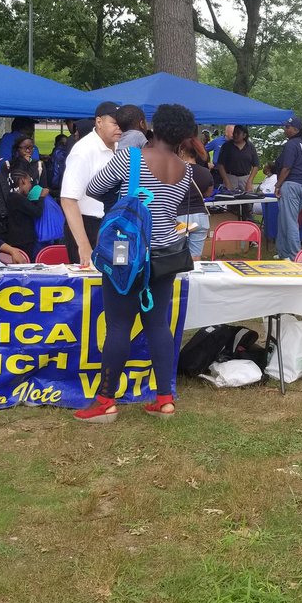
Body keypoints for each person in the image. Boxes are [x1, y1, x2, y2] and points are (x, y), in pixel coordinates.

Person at [77, 103, 197, 422]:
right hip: (163, 257)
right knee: (158, 326)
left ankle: (105, 402)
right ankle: (165, 399)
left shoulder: (130, 158)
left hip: (126, 254)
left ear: (155, 126)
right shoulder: (185, 171)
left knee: (118, 325)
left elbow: (93, 188)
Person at [61, 101, 122, 265]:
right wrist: (84, 245)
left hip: (116, 225)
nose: (120, 128)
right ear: (99, 122)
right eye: (115, 123)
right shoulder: (83, 151)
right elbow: (68, 199)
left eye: (122, 124)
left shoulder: (122, 148)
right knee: (92, 283)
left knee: (120, 277)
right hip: (88, 225)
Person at [274, 116, 302, 262]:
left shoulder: (291, 144)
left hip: (292, 185)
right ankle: (283, 253)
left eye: (287, 127)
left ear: (296, 129)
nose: (285, 129)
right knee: (284, 219)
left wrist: (278, 185)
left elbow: (287, 167)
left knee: (290, 221)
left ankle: (295, 256)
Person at [178, 136, 214, 259]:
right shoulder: (206, 172)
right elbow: (208, 193)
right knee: (195, 257)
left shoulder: (174, 171)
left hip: (180, 217)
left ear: (182, 151)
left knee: (177, 256)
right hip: (201, 218)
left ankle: (179, 278)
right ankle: (193, 278)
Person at [216, 124, 260, 221]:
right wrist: (226, 181)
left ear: (244, 135)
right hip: (231, 176)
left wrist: (250, 181)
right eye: (234, 132)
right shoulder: (227, 146)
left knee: (248, 205)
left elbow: (256, 165)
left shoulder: (250, 146)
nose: (235, 135)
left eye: (238, 133)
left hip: (245, 177)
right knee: (232, 206)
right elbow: (220, 164)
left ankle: (248, 227)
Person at [2, 169, 43, 260]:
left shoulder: (11, 197)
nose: (30, 185)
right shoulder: (17, 198)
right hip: (23, 239)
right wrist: (41, 197)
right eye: (29, 182)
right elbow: (37, 212)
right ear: (23, 180)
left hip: (16, 238)